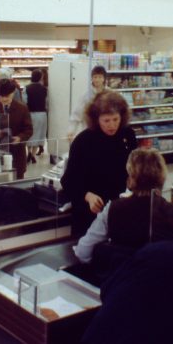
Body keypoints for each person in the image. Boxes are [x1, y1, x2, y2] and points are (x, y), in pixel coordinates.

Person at [74, 148, 173, 265]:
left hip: (122, 281)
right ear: (162, 179)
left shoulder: (112, 209)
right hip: (165, 282)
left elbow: (83, 252)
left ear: (131, 180)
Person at [61, 91, 137, 238]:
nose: (112, 125)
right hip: (89, 211)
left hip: (119, 207)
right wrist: (87, 196)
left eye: (116, 119)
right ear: (96, 119)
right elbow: (68, 180)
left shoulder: (127, 135)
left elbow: (133, 169)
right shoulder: (83, 141)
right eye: (106, 121)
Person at [0, 79, 33, 179]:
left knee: (17, 182)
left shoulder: (22, 108)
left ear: (13, 93)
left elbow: (29, 130)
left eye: (7, 96)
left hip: (16, 153)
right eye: (1, 96)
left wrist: (20, 138)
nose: (4, 99)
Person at [67, 65, 110, 142]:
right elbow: (76, 114)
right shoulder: (86, 95)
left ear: (104, 78)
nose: (97, 80)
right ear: (92, 78)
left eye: (100, 77)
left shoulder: (110, 94)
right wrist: (71, 130)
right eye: (95, 77)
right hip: (89, 131)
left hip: (106, 132)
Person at [25, 69, 47, 163]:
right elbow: (47, 102)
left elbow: (24, 102)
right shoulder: (44, 89)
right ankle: (33, 154)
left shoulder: (27, 88)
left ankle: (28, 152)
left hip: (30, 113)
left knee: (30, 133)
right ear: (40, 77)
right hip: (42, 114)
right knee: (39, 134)